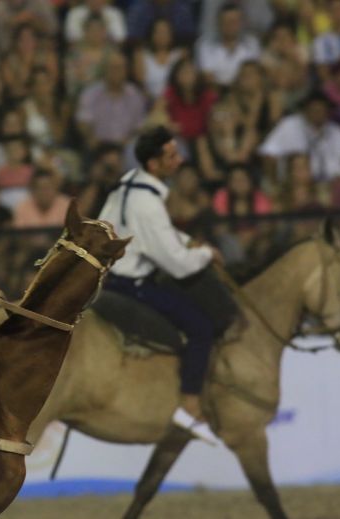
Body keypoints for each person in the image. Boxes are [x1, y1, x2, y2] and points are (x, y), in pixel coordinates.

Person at [98, 125, 234, 445]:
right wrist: (203, 253)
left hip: (114, 277)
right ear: (154, 164)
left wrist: (188, 242)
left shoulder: (128, 183)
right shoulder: (149, 204)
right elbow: (176, 264)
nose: (180, 160)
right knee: (201, 326)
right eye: (172, 156)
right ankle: (189, 407)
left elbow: (158, 236)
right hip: (132, 286)